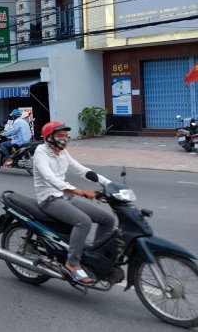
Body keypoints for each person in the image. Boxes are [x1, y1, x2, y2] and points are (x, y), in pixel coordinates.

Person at [34, 121, 116, 284]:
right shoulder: (40, 152)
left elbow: (83, 170)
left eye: (66, 136)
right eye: (60, 135)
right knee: (83, 222)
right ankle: (72, 263)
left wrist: (109, 184)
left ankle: (94, 257)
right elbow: (49, 177)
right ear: (49, 137)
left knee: (107, 219)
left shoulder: (63, 153)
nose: (64, 139)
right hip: (49, 199)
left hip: (65, 197)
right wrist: (78, 191)